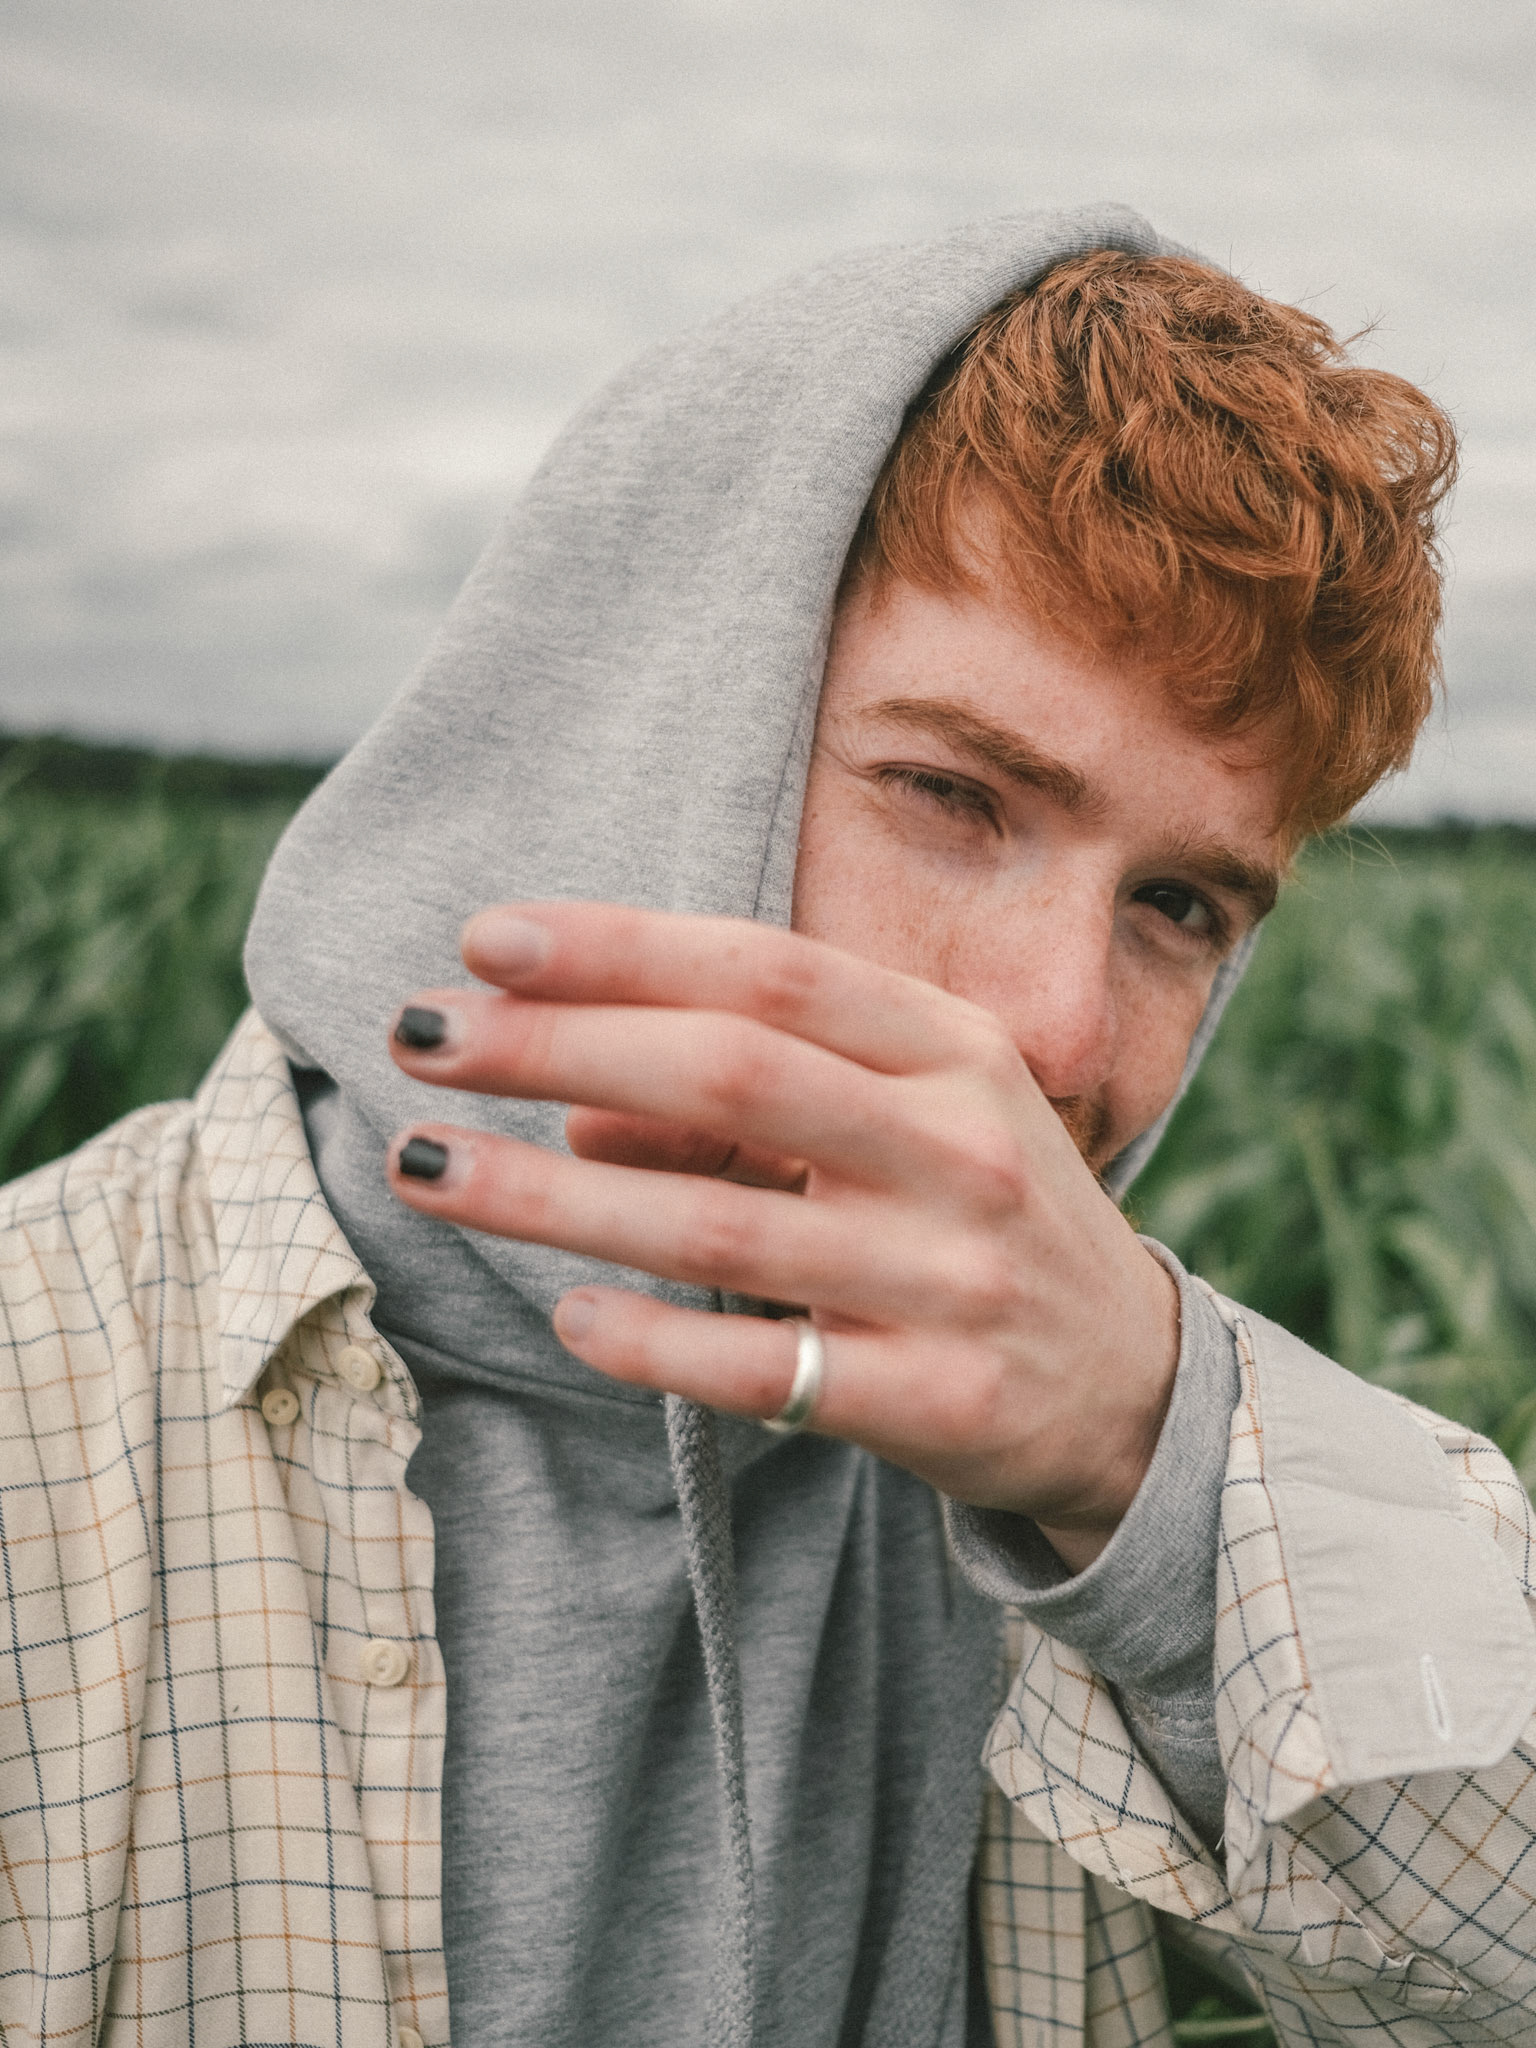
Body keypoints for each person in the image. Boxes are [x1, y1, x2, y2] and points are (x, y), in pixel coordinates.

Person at [3, 204, 1534, 2048]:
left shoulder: (1092, 1500)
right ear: (632, 735)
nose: (1056, 1032)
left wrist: (1154, 1462)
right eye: (950, 793)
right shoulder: (42, 1408)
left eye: (1180, 904)